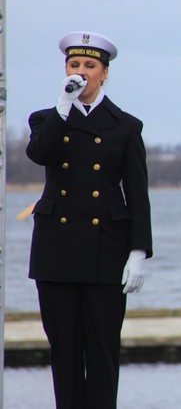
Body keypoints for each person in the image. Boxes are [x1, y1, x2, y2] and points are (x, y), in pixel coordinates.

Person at [26, 31, 153, 409]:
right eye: (74, 64)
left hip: (106, 252)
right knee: (64, 350)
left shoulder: (126, 126)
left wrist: (139, 251)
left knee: (102, 351)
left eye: (89, 66)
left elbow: (137, 193)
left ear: (104, 74)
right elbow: (40, 154)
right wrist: (63, 108)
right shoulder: (47, 119)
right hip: (56, 252)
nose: (80, 72)